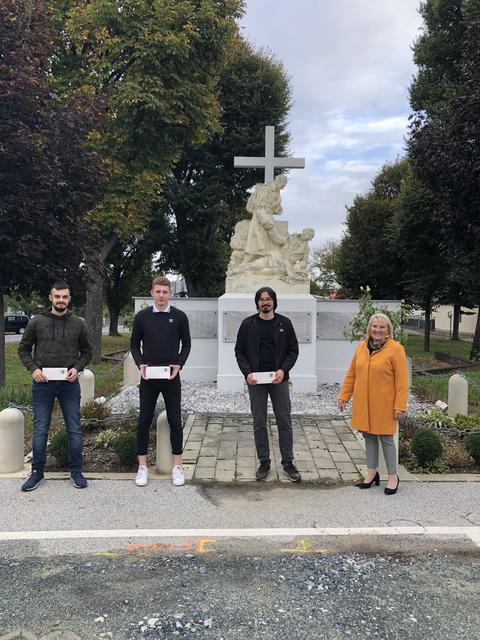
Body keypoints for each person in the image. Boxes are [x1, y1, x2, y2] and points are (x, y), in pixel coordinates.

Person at [18, 280, 92, 491]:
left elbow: (87, 351)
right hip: (43, 384)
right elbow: (23, 349)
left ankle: (76, 471)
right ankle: (37, 473)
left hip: (69, 385)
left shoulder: (78, 323)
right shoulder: (36, 322)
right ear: (50, 298)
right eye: (57, 296)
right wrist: (33, 369)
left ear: (69, 299)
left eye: (65, 297)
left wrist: (77, 369)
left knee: (75, 429)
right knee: (41, 428)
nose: (61, 300)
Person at [235, 287, 301, 482]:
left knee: (284, 420)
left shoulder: (285, 324)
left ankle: (288, 462)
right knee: (259, 422)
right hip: (256, 380)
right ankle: (264, 462)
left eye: (269, 299)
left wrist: (283, 370)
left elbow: (293, 351)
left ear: (274, 302)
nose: (266, 302)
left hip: (277, 379)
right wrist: (247, 373)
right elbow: (240, 352)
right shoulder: (248, 325)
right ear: (257, 303)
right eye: (262, 299)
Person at [130, 276, 191, 487]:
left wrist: (179, 365)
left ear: (170, 294)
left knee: (175, 421)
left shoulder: (180, 317)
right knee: (144, 421)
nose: (162, 296)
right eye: (158, 292)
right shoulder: (142, 317)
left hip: (171, 377)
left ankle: (177, 467)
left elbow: (187, 345)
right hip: (148, 378)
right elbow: (134, 345)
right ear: (152, 292)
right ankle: (142, 467)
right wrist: (140, 365)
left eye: (165, 292)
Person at [338, 313, 408, 495]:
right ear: (369, 328)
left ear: (388, 330)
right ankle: (372, 472)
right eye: (374, 326)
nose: (377, 330)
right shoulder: (361, 346)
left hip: (384, 404)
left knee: (386, 439)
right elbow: (352, 373)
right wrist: (344, 396)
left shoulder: (396, 349)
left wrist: (400, 405)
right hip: (363, 402)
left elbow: (402, 381)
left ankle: (393, 476)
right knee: (368, 436)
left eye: (381, 327)